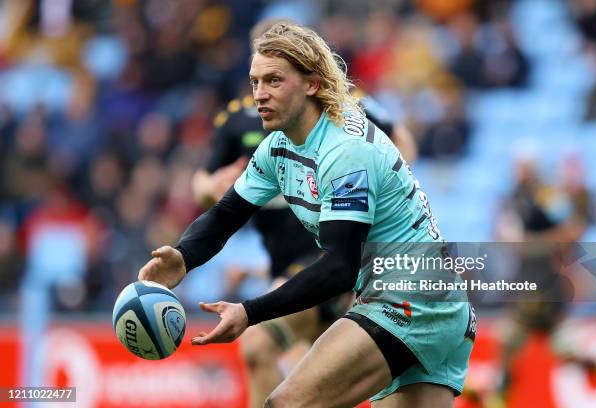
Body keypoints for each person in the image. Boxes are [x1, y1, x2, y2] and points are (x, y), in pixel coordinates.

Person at [139, 22, 473, 407]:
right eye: (254, 82)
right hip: (432, 302)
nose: (259, 96)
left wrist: (250, 311)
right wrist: (182, 258)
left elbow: (339, 267)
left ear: (312, 83)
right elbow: (227, 213)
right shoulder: (277, 148)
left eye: (274, 81)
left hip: (410, 299)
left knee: (286, 403)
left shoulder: (345, 151)